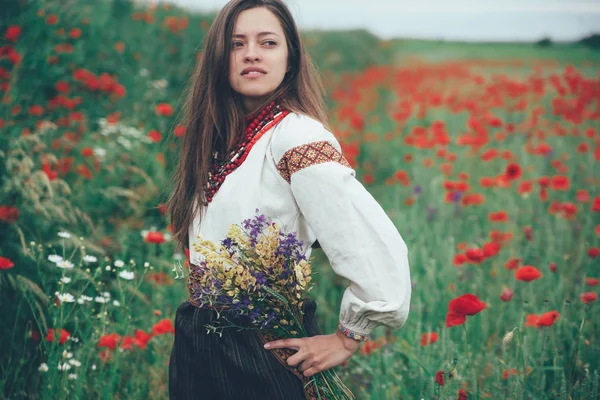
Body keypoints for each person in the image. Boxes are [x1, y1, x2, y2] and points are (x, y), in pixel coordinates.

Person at [165, 1, 412, 399]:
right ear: (218, 58)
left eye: (268, 42)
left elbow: (363, 235)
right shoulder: (220, 139)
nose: (251, 53)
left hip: (262, 346)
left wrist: (348, 337)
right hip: (199, 337)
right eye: (236, 44)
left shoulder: (297, 136)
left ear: (290, 59)